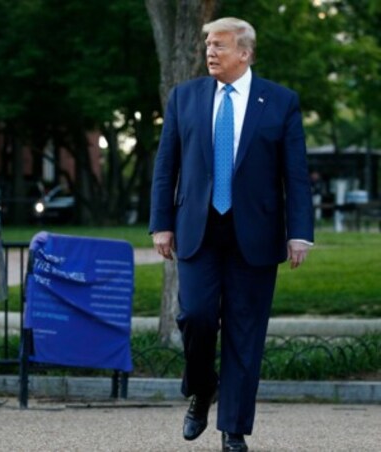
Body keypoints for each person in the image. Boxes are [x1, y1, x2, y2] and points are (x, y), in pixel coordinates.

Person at [149, 17, 314, 452]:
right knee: (196, 316)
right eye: (207, 43)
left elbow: (295, 175)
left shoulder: (281, 102)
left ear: (245, 52)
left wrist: (299, 232)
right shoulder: (185, 98)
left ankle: (233, 431)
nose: (210, 51)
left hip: (255, 234)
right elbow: (166, 166)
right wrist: (160, 222)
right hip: (196, 230)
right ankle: (203, 387)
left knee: (245, 332)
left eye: (219, 45)